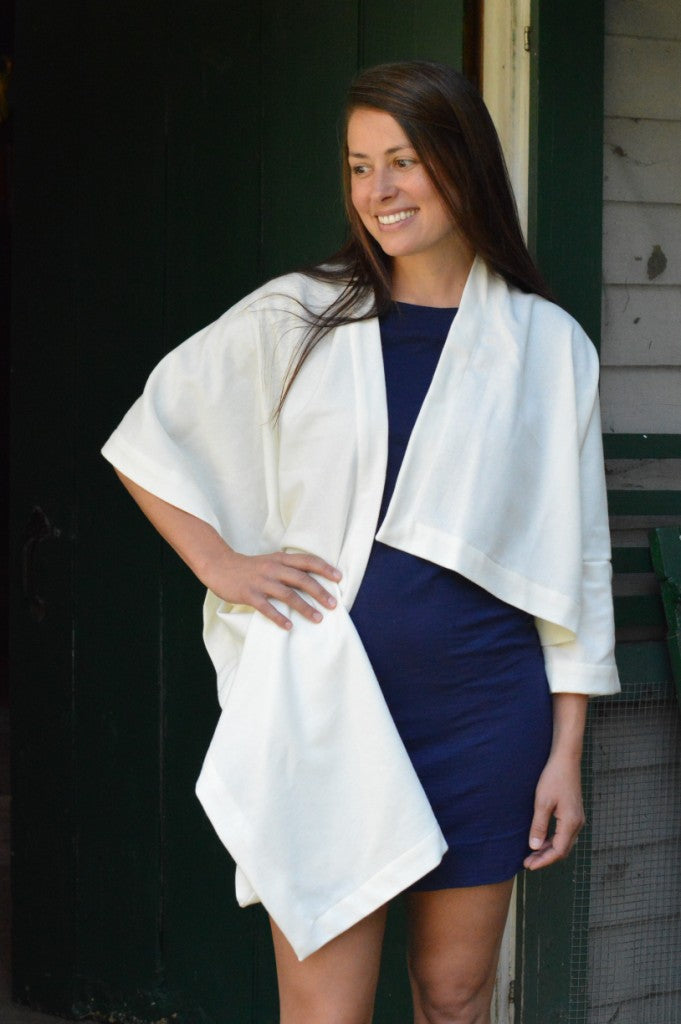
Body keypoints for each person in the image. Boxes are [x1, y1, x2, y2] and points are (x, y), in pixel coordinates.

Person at [103, 61, 619, 1024]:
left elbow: (577, 558)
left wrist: (564, 753)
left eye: (404, 163)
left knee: (455, 999)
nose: (377, 192)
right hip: (326, 706)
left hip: (484, 716)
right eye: (357, 167)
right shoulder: (298, 313)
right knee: (325, 1013)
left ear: (463, 165)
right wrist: (221, 562)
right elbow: (148, 434)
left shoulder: (550, 347)